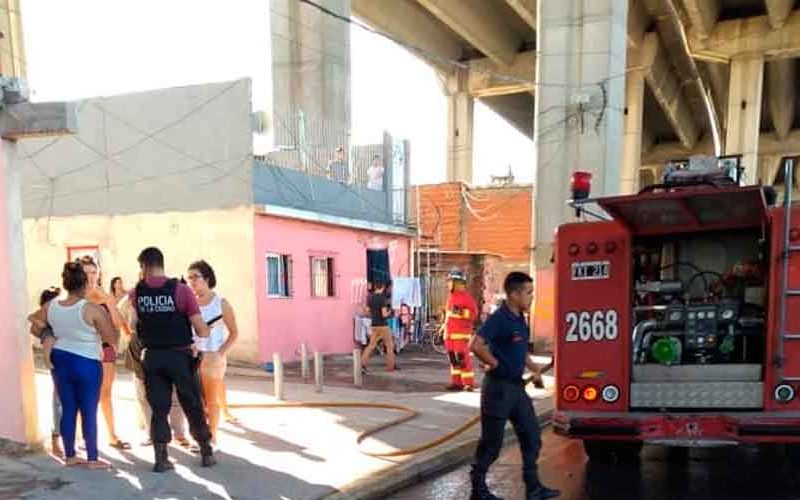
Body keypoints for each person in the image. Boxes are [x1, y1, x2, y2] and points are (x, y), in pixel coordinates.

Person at [469, 272, 559, 500]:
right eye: (529, 293)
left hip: (516, 389)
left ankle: (534, 488)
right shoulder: (499, 318)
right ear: (514, 294)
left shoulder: (520, 318)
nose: (532, 297)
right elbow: (476, 345)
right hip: (498, 389)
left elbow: (521, 350)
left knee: (532, 436)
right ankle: (478, 490)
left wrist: (534, 369)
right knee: (491, 445)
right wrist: (496, 364)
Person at [129, 247, 215, 471]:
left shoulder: (136, 292)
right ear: (160, 263)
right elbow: (200, 328)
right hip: (180, 356)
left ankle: (161, 458)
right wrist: (205, 331)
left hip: (152, 357)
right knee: (192, 403)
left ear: (144, 266)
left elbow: (133, 326)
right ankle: (206, 451)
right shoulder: (181, 291)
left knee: (158, 407)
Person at [28, 263, 118, 469]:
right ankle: (92, 458)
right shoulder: (91, 309)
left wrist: (47, 333)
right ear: (85, 284)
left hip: (60, 359)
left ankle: (70, 455)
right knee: (88, 410)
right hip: (86, 361)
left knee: (68, 408)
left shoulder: (52, 305)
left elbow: (32, 319)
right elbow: (111, 337)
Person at [78, 256, 131, 450]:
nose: (91, 277)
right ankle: (80, 437)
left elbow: (118, 323)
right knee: (82, 394)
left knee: (105, 393)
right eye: (86, 273)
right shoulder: (75, 297)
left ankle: (112, 435)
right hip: (83, 350)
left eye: (94, 272)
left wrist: (108, 300)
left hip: (106, 348)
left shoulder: (103, 296)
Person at [187, 260, 239, 446]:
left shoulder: (221, 304)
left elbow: (234, 332)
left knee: (211, 399)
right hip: (193, 357)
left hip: (213, 357)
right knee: (196, 401)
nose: (192, 281)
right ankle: (199, 435)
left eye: (196, 277)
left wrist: (220, 353)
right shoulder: (189, 303)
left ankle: (212, 436)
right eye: (189, 278)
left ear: (207, 278)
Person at [29, 287, 64, 457]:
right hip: (58, 369)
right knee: (58, 403)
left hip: (63, 368)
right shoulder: (48, 330)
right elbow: (46, 354)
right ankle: (55, 439)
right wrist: (52, 366)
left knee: (63, 404)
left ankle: (62, 438)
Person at [444, 269, 478, 391]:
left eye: (450, 282)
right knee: (453, 360)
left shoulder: (467, 298)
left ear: (458, 283)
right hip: (450, 335)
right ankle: (456, 382)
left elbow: (473, 315)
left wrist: (461, 311)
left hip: (461, 335)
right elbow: (448, 316)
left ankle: (468, 383)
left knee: (462, 359)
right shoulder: (451, 298)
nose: (448, 284)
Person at [359, 281, 396, 372]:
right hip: (383, 325)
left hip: (374, 324)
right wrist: (390, 312)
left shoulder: (370, 298)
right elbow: (384, 314)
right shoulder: (382, 299)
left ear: (375, 287)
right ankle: (390, 367)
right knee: (389, 346)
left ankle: (361, 364)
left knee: (371, 345)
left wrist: (373, 314)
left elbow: (366, 311)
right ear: (382, 287)